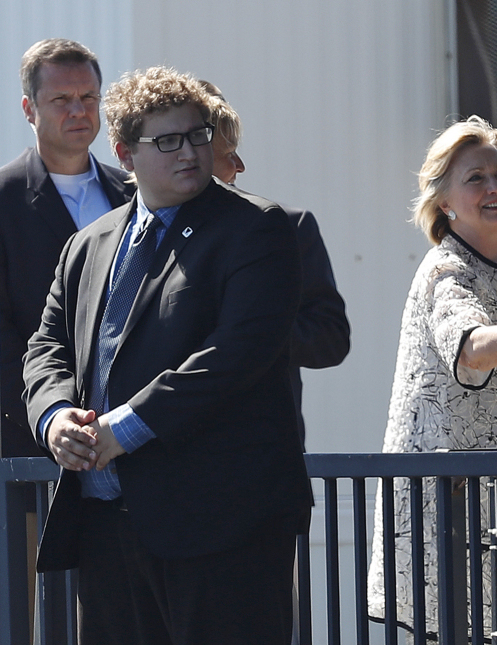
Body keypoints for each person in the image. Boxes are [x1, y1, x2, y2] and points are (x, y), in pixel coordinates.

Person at [21, 66, 312, 644]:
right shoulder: (89, 243)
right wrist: (55, 420)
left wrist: (123, 428)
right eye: (168, 141)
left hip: (221, 531)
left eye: (199, 135)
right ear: (125, 154)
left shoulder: (256, 229)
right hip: (106, 527)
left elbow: (237, 353)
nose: (191, 153)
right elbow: (46, 346)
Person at [367, 115, 497, 640]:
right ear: (444, 202)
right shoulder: (448, 269)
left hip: (493, 506)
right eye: (475, 178)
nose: (495, 187)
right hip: (449, 507)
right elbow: (470, 350)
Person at [1, 39, 133, 459]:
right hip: (33, 447)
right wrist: (51, 419)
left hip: (128, 444)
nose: (78, 110)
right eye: (61, 99)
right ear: (28, 110)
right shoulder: (4, 199)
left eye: (88, 97)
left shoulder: (135, 194)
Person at [200, 80, 351, 446]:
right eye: (228, 152)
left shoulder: (288, 227)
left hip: (264, 455)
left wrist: (248, 336)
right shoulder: (135, 233)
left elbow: (330, 338)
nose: (240, 165)